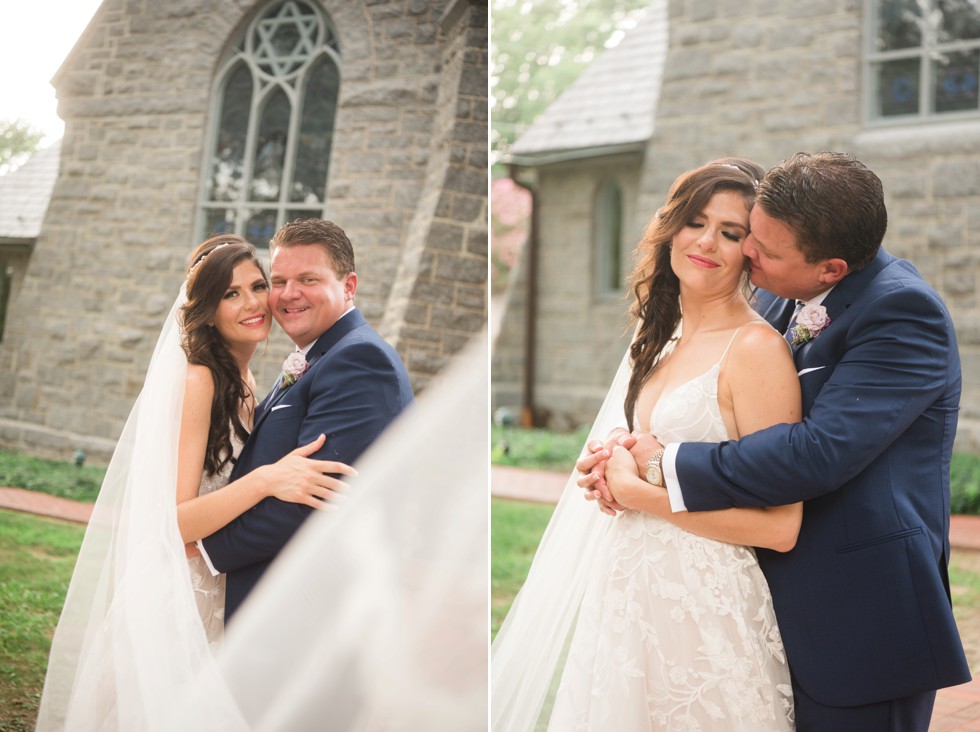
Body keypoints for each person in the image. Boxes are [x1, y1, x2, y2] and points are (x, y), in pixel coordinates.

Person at [582, 152, 972, 731]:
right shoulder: (778, 290)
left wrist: (664, 466)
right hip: (759, 604)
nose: (745, 255)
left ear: (830, 270)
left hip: (860, 617)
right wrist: (626, 447)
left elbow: (818, 453)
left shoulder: (902, 314)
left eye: (759, 246)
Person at [492, 159, 801, 730]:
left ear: (750, 252)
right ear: (671, 230)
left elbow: (780, 526)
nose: (707, 242)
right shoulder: (657, 337)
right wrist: (612, 459)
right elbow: (661, 446)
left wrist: (639, 495)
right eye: (695, 222)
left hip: (704, 606)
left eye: (731, 233)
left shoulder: (756, 350)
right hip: (627, 594)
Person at [36, 235, 353, 730]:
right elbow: (177, 519)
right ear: (206, 311)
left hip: (223, 582)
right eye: (231, 294)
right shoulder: (199, 379)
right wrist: (269, 479)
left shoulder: (246, 380)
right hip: (182, 592)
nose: (252, 303)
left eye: (257, 286)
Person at [197, 218, 415, 620]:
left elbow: (317, 496)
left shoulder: (359, 360)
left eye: (308, 279)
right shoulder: (320, 355)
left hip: (312, 613)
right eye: (278, 281)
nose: (288, 294)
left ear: (348, 286)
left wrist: (202, 549)